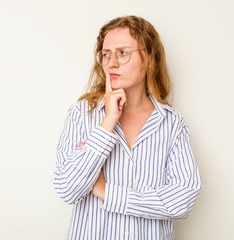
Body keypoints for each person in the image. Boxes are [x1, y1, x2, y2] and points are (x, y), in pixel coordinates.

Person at [53, 16, 202, 239]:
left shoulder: (172, 124)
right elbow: (67, 189)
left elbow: (183, 199)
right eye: (106, 54)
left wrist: (108, 193)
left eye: (123, 52)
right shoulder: (82, 114)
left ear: (150, 58)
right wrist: (107, 123)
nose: (111, 63)